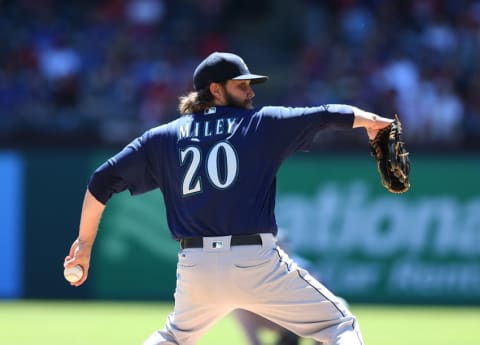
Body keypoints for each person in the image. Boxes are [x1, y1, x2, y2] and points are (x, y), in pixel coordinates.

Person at [64, 52, 392, 345]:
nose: (250, 91)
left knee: (174, 338)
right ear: (216, 90)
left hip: (196, 268)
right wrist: (372, 122)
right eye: (241, 85)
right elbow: (323, 114)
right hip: (255, 261)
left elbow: (101, 180)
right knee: (338, 323)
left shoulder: (163, 137)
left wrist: (85, 243)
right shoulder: (261, 124)